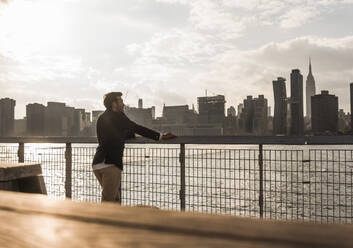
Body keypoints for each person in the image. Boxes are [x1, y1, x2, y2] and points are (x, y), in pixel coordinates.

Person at [92, 92, 176, 203]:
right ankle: (99, 220)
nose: (123, 104)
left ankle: (115, 220)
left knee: (115, 198)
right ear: (114, 104)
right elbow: (136, 127)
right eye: (121, 101)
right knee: (108, 202)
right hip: (110, 164)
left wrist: (127, 133)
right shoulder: (118, 116)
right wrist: (160, 136)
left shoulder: (102, 118)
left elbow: (114, 134)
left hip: (98, 163)